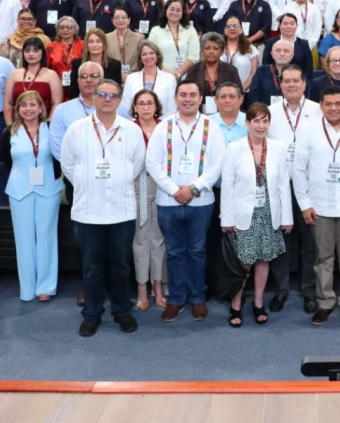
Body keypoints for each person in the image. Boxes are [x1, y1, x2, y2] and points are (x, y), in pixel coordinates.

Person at [60, 79, 147, 336]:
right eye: (102, 94)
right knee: (91, 266)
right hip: (88, 211)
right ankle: (92, 313)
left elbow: (137, 165)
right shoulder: (77, 129)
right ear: (94, 98)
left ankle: (122, 311)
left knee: (121, 266)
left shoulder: (131, 130)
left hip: (121, 210)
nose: (107, 99)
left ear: (120, 100)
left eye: (113, 95)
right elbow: (68, 165)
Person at [147, 80, 228, 322]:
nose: (188, 99)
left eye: (193, 95)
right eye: (183, 94)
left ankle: (197, 298)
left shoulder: (211, 127)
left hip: (201, 201)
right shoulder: (163, 127)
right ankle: (176, 299)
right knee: (173, 251)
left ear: (201, 98)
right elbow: (152, 163)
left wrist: (193, 189)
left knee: (197, 250)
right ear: (175, 97)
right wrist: (175, 190)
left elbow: (217, 163)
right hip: (168, 201)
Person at [293, 86, 340, 327]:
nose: (334, 108)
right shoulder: (307, 130)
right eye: (329, 104)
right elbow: (298, 169)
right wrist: (304, 203)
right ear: (321, 106)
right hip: (320, 205)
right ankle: (325, 302)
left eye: (338, 103)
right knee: (323, 258)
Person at [220, 102, 292, 327]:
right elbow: (228, 186)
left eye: (265, 120)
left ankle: (258, 302)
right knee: (242, 261)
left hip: (269, 212)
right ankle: (236, 303)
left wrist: (287, 217)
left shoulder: (278, 148)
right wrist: (227, 218)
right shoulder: (234, 148)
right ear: (247, 123)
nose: (261, 126)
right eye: (256, 121)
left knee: (263, 259)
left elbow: (283, 184)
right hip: (243, 213)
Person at [266, 64, 321, 313]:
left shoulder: (318, 110)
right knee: (281, 241)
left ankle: (309, 291)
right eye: (286, 81)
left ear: (304, 83)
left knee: (310, 242)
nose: (291, 85)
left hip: (309, 186)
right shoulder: (270, 112)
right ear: (280, 84)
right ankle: (281, 290)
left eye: (295, 81)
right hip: (279, 185)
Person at [0, 90, 62, 303]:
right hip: (19, 189)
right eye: (23, 106)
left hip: (48, 189)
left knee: (47, 236)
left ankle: (46, 286)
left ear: (41, 108)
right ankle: (27, 287)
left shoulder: (51, 129)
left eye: (33, 105)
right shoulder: (9, 132)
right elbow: (6, 160)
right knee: (23, 238)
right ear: (17, 110)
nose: (28, 109)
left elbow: (59, 158)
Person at [129, 90, 167, 310]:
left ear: (156, 106)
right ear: (134, 107)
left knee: (160, 239)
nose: (145, 107)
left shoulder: (165, 127)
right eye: (141, 103)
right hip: (137, 186)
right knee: (141, 239)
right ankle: (142, 288)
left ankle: (159, 286)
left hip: (162, 186)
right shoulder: (128, 128)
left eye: (149, 103)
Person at [3, 36, 63, 123]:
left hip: (43, 124)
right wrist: (10, 125)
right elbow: (8, 103)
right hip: (17, 124)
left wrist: (48, 124)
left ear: (42, 52)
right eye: (27, 51)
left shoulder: (52, 75)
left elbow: (56, 103)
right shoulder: (14, 74)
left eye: (35, 51)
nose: (31, 54)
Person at [120, 40, 178, 120]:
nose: (148, 57)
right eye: (144, 54)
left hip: (162, 125)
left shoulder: (170, 79)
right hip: (135, 125)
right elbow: (126, 106)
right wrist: (137, 124)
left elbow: (172, 108)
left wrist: (158, 125)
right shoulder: (131, 78)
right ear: (140, 58)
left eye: (151, 53)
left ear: (157, 56)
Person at [148, 0, 200, 79]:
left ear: (183, 13)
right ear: (165, 11)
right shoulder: (155, 31)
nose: (174, 13)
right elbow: (151, 55)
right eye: (171, 9)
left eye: (178, 10)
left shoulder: (190, 30)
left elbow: (194, 56)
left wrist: (179, 73)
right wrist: (169, 75)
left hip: (185, 78)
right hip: (161, 77)